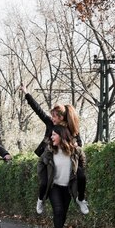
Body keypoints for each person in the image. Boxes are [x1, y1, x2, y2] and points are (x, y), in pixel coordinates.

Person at [20, 85, 89, 215]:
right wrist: (27, 94)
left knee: (81, 175)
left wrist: (76, 146)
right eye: (52, 116)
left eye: (55, 116)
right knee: (45, 183)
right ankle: (41, 200)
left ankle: (81, 200)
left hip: (68, 160)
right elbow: (38, 110)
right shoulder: (50, 124)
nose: (52, 118)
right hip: (51, 158)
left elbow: (79, 142)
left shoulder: (71, 128)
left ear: (61, 117)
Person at [37, 125, 86, 228]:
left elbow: (82, 160)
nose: (51, 137)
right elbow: (40, 162)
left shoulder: (75, 151)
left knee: (63, 214)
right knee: (58, 210)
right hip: (54, 186)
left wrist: (78, 171)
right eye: (51, 135)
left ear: (62, 136)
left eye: (54, 134)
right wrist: (43, 177)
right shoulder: (49, 151)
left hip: (68, 187)